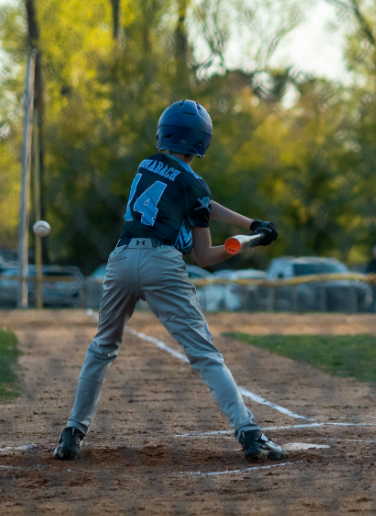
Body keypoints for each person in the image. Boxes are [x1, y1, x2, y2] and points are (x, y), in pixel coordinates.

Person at [52, 100, 287, 463]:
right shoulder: (193, 183)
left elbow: (202, 202)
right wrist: (236, 248)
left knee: (102, 347)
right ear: (202, 141)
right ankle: (250, 434)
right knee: (204, 354)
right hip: (161, 263)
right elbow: (204, 256)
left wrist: (250, 225)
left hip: (121, 258)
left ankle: (71, 434)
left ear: (165, 134)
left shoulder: (147, 165)